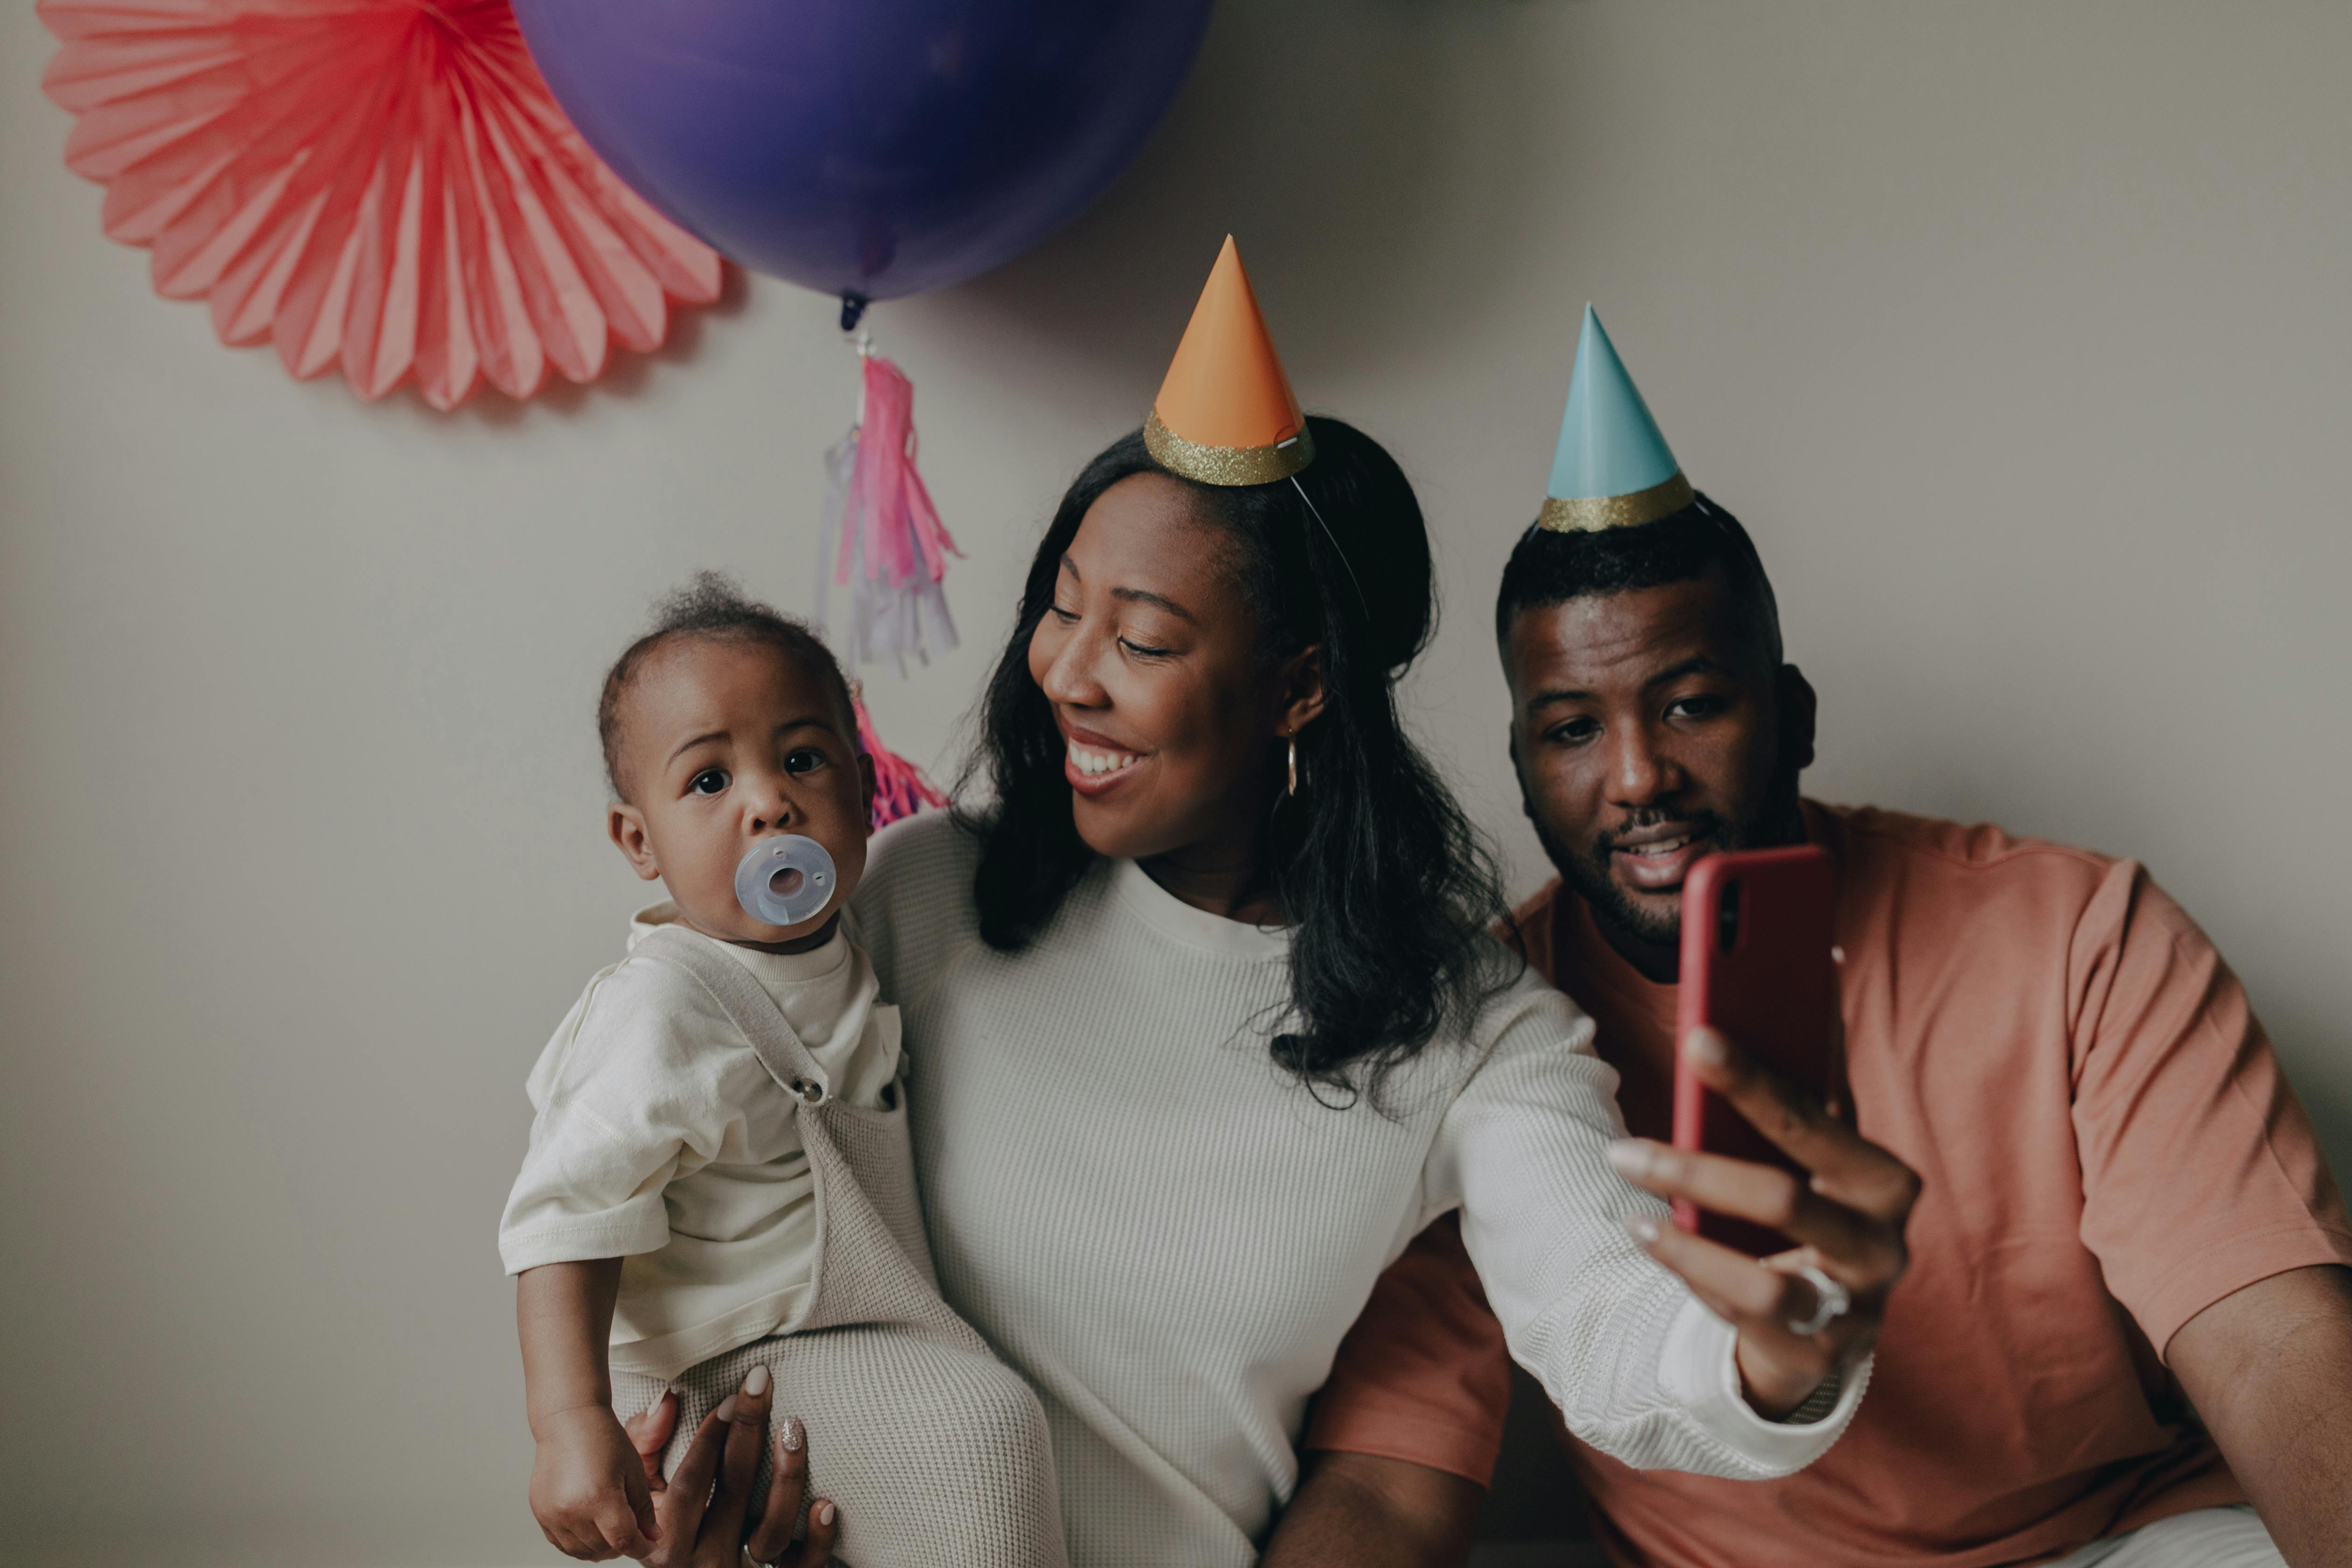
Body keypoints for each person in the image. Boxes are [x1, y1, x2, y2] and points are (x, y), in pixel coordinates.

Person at [608, 240, 1918, 1568]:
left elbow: (1607, 1317)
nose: (1064, 674)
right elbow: (695, 1181)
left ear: (1299, 688)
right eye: (1061, 611)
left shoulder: (1470, 1031)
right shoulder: (920, 892)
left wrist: (1769, 1357)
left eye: (1142, 641)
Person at [1299, 307, 2352, 1567]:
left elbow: (2275, 1340)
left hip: (2126, 1542)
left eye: (1690, 704)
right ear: (1523, 775)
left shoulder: (2076, 935)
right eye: (1573, 729)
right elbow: (1390, 1478)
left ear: (1792, 717)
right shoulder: (1485, 1040)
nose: (1638, 776)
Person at [497, 576, 1064, 1568]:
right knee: (981, 1433)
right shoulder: (662, 1008)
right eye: (709, 782)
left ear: (862, 780)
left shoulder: (850, 942)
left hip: (849, 1333)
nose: (769, 802)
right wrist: (568, 1419)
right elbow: (562, 1216)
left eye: (802, 759)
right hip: (721, 1366)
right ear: (639, 840)